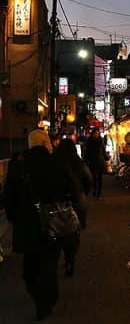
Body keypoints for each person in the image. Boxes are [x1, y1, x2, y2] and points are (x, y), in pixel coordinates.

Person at [2, 130, 67, 320]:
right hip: (52, 222)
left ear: (29, 144)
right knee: (48, 265)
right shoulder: (55, 163)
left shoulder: (18, 166)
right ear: (47, 143)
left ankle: (39, 298)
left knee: (30, 267)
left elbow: (8, 197)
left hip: (26, 226)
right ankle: (47, 301)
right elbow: (66, 189)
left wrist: (15, 219)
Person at [55, 138, 92, 276]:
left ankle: (64, 253)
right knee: (75, 231)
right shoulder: (78, 163)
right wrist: (83, 192)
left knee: (60, 229)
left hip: (60, 201)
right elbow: (88, 179)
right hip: (77, 199)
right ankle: (70, 260)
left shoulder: (55, 163)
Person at [85, 129, 106, 199]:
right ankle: (94, 190)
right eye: (95, 133)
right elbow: (87, 152)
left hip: (100, 161)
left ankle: (99, 194)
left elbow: (103, 150)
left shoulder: (101, 141)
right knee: (94, 177)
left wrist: (106, 157)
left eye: (97, 133)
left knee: (100, 178)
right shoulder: (89, 141)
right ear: (93, 134)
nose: (97, 134)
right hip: (93, 162)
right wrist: (87, 160)